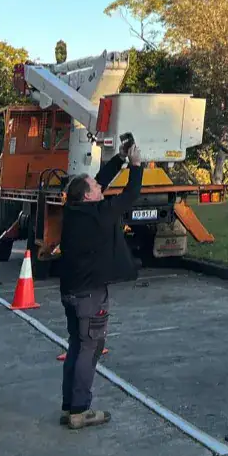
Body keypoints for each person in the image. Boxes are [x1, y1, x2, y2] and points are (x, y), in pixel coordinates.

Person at [58, 138, 143, 429]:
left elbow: (97, 182)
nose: (99, 188)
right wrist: (136, 166)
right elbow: (131, 194)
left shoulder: (75, 210)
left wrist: (119, 159)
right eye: (95, 189)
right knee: (90, 348)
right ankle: (80, 411)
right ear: (89, 197)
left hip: (70, 291)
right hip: (89, 295)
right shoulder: (99, 216)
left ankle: (70, 406)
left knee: (76, 345)